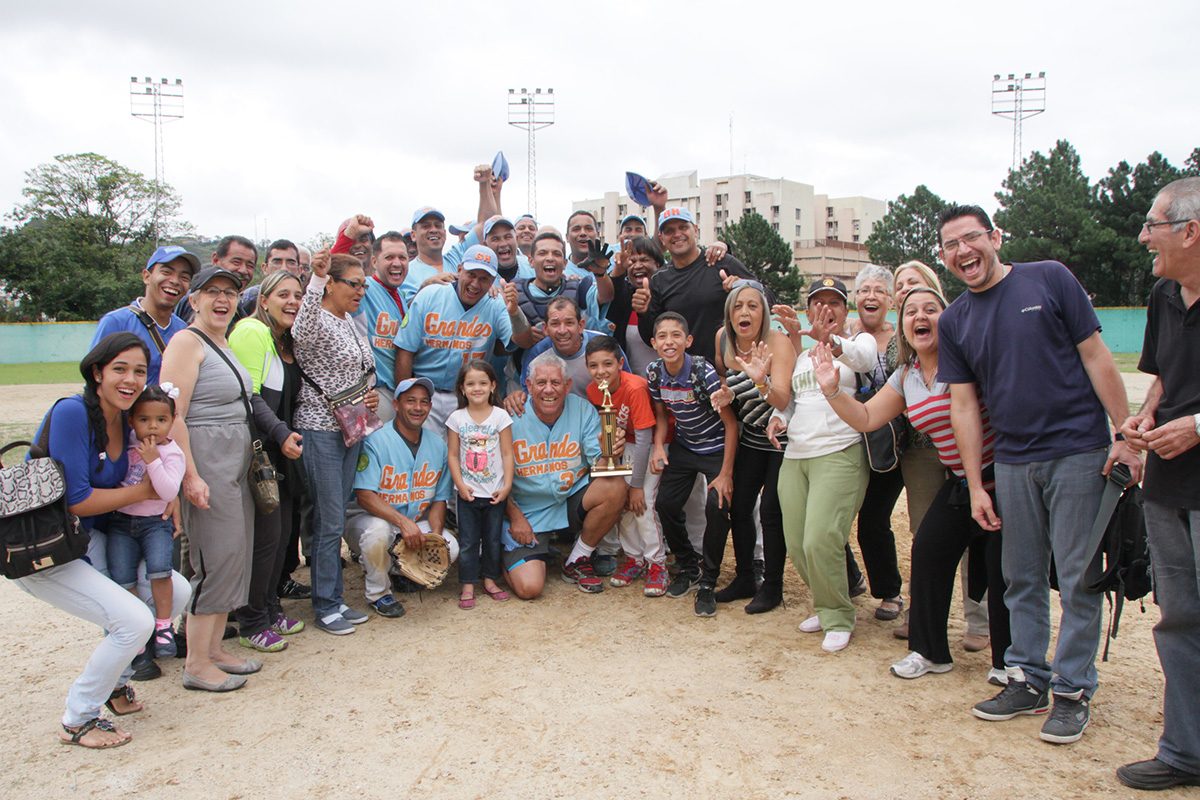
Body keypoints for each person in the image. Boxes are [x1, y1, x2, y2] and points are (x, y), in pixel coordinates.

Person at [934, 204, 1142, 744]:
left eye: (971, 238)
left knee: (1076, 577)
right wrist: (978, 484)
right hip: (1013, 464)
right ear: (944, 257)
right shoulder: (955, 319)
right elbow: (963, 405)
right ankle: (1027, 677)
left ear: (995, 236)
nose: (963, 252)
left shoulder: (1049, 278)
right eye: (951, 246)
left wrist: (1124, 435)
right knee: (1020, 576)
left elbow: (1097, 357)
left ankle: (1072, 690)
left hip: (1079, 452)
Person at [813, 287, 1010, 682]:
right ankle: (930, 651)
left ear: (949, 319)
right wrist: (831, 388)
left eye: (932, 310)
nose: (920, 317)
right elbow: (867, 416)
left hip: (1000, 478)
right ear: (903, 327)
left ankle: (1011, 664)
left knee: (1001, 570)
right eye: (911, 312)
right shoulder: (908, 375)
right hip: (962, 481)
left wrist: (979, 488)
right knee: (929, 553)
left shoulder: (967, 362)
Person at [15, 334, 191, 747]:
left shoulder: (126, 420)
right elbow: (76, 500)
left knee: (176, 591)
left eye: (139, 371)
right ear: (96, 372)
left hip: (86, 542)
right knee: (132, 621)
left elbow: (159, 464)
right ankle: (78, 718)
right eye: (119, 369)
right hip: (45, 551)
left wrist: (170, 497)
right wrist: (147, 493)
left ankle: (116, 683)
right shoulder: (74, 413)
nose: (130, 380)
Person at [1117, 177, 1200, 790]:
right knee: (1179, 620)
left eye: (1153, 225)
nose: (1144, 235)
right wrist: (1150, 414)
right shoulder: (1165, 294)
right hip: (1168, 489)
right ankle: (1184, 752)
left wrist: (1198, 425)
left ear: (1190, 231)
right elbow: (1165, 378)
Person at [160, 265, 267, 691]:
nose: (222, 299)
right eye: (213, 292)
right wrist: (189, 474)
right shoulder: (186, 342)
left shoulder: (220, 340)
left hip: (234, 463)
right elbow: (173, 415)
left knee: (233, 556)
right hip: (207, 462)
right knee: (214, 558)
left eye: (230, 292)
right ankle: (195, 663)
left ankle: (215, 651)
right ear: (195, 299)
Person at [766, 277, 876, 652]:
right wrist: (779, 417)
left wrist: (831, 340)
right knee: (796, 541)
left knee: (822, 537)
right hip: (797, 454)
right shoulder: (800, 357)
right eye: (818, 302)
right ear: (808, 308)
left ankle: (838, 614)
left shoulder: (859, 342)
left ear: (846, 311)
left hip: (839, 450)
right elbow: (793, 399)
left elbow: (864, 361)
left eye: (835, 303)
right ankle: (826, 600)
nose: (826, 308)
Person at [889, 261, 990, 654]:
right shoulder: (905, 361)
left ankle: (986, 628)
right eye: (902, 290)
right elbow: (872, 409)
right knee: (929, 541)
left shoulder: (962, 350)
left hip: (982, 466)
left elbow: (969, 411)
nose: (907, 294)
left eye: (917, 288)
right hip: (931, 458)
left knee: (987, 552)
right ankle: (927, 633)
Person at [290, 250, 381, 636]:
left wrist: (370, 394)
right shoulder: (317, 319)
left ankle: (337, 599)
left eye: (364, 284)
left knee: (335, 516)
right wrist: (314, 277)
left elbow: (361, 371)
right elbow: (300, 330)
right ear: (331, 283)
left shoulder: (350, 322)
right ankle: (325, 604)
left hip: (351, 428)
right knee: (328, 520)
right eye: (353, 283)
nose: (361, 290)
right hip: (320, 429)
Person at [503, 352, 627, 599]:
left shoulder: (582, 409)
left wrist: (609, 453)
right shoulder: (509, 417)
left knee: (614, 486)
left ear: (568, 385)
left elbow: (599, 465)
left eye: (556, 383)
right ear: (528, 385)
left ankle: (578, 557)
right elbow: (492, 478)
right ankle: (502, 553)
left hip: (569, 501)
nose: (549, 390)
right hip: (527, 513)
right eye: (541, 383)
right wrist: (514, 516)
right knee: (529, 589)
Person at [228, 270, 307, 652]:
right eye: (284, 294)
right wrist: (279, 433)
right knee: (263, 541)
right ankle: (251, 620)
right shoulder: (251, 331)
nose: (293, 301)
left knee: (279, 540)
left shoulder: (283, 340)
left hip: (283, 452)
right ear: (264, 299)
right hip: (262, 451)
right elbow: (248, 396)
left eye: (298, 295)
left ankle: (271, 607)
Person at [710, 279, 796, 614]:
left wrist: (762, 381)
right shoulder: (724, 342)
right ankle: (746, 576)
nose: (744, 312)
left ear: (764, 312)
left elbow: (783, 398)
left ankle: (773, 586)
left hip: (781, 441)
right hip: (751, 438)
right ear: (729, 315)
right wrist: (727, 394)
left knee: (772, 513)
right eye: (737, 306)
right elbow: (733, 383)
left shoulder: (779, 344)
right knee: (740, 506)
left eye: (753, 305)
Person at [646, 312, 738, 617]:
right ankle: (689, 565)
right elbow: (661, 416)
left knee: (717, 505)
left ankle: (709, 581)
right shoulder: (655, 373)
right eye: (662, 336)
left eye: (676, 335)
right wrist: (659, 445)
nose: (669, 341)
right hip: (686, 445)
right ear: (653, 343)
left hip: (716, 447)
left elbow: (730, 424)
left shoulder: (702, 371)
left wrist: (726, 473)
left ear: (688, 341)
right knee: (665, 504)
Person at [394, 244, 535, 442]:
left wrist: (514, 312)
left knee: (468, 463)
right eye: (471, 275)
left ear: (493, 280)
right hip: (426, 394)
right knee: (425, 456)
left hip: (467, 397)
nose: (475, 284)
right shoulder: (430, 294)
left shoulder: (495, 303)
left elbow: (523, 341)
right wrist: (404, 397)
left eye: (484, 278)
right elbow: (404, 350)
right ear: (459, 270)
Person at [345, 377, 455, 618]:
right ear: (395, 404)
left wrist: (434, 536)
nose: (418, 407)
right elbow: (364, 496)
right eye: (411, 401)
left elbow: (440, 500)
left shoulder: (437, 444)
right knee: (378, 533)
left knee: (451, 547)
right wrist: (404, 523)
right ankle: (378, 593)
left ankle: (396, 570)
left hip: (412, 524)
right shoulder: (375, 439)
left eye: (424, 402)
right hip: (367, 521)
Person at [105, 384, 186, 658]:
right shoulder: (127, 441)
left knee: (160, 571)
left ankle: (164, 626)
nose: (152, 427)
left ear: (172, 421)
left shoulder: (172, 453)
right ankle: (140, 630)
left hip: (155, 523)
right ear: (131, 420)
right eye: (144, 420)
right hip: (121, 522)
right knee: (122, 576)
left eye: (161, 420)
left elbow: (168, 492)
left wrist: (153, 461)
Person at [845, 265, 906, 622]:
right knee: (832, 513)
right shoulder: (844, 335)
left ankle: (889, 593)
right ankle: (851, 578)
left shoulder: (903, 335)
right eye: (864, 290)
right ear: (856, 298)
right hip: (852, 439)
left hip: (896, 443)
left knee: (873, 519)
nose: (871, 296)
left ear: (890, 299)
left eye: (878, 290)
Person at [582, 336, 666, 595]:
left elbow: (644, 438)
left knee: (643, 503)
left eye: (607, 364)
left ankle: (657, 564)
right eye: (593, 365)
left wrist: (637, 485)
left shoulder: (635, 388)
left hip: (651, 445)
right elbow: (611, 430)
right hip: (625, 445)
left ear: (620, 363)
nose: (601, 372)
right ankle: (634, 558)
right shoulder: (593, 390)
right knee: (625, 505)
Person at [633, 207, 763, 363]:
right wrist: (643, 313)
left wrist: (744, 289)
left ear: (695, 229)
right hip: (688, 376)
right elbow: (651, 337)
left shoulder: (721, 262)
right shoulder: (659, 280)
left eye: (683, 227)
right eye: (669, 231)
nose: (677, 234)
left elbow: (767, 299)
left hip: (733, 369)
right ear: (662, 238)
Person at [445, 361, 514, 609]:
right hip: (468, 494)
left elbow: (507, 453)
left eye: (483, 383)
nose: (477, 388)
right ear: (462, 388)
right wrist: (460, 485)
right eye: (471, 383)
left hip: (495, 492)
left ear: (493, 386)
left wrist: (507, 486)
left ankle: (490, 580)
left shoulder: (500, 416)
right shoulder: (456, 418)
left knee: (493, 539)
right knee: (469, 540)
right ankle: (467, 584)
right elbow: (452, 455)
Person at [91, 245, 200, 383]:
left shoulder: (184, 330)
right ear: (146, 277)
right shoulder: (117, 322)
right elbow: (95, 379)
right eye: (166, 272)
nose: (175, 281)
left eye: (184, 277)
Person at [351, 230, 410, 423]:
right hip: (374, 391)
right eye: (389, 257)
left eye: (402, 257)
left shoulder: (400, 295)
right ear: (374, 262)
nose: (397, 263)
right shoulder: (364, 288)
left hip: (396, 391)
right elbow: (330, 278)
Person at [174, 235, 258, 325]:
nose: (243, 270)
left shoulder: (237, 306)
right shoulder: (201, 300)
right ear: (216, 259)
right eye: (236, 262)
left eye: (250, 266)